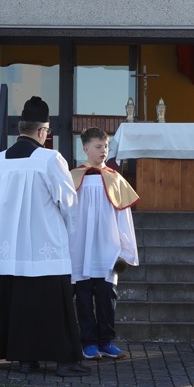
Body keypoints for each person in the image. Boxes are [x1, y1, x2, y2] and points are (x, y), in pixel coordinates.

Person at [0, 96, 87, 377]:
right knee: (52, 305)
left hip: (10, 246)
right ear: (43, 131)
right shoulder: (50, 159)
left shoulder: (0, 160)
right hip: (45, 244)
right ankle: (64, 361)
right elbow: (68, 203)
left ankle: (25, 359)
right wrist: (72, 236)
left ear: (21, 127)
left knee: (20, 303)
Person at [69, 127, 139, 360]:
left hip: (107, 247)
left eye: (106, 146)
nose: (103, 151)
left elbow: (124, 217)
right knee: (83, 296)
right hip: (80, 246)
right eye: (98, 146)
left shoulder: (115, 179)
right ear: (85, 148)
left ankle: (106, 341)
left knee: (107, 296)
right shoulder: (72, 177)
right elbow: (65, 215)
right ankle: (88, 342)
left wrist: (125, 249)